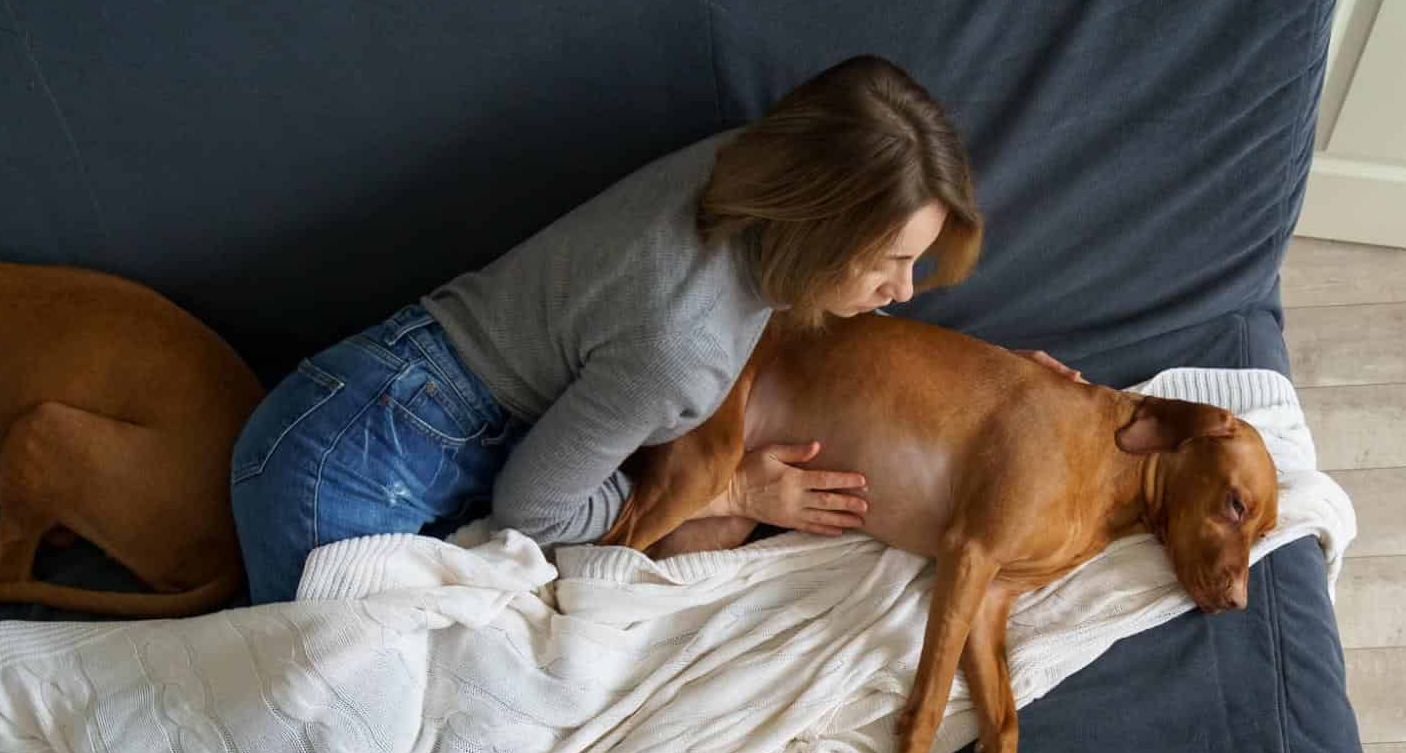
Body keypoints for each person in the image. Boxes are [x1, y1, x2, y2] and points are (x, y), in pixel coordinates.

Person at [229, 54, 1076, 605]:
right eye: (887, 262)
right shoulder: (684, 342)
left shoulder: (755, 161)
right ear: (813, 226)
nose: (901, 291)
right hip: (345, 463)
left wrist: (1006, 391)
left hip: (386, 397)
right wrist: (732, 490)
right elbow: (534, 512)